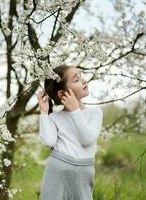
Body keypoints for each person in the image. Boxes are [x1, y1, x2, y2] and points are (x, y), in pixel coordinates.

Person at [37, 64, 103, 200]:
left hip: (84, 171)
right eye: (76, 80)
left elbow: (87, 139)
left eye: (81, 76)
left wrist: (75, 111)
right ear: (62, 94)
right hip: (57, 168)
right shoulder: (54, 117)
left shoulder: (95, 113)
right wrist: (44, 113)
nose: (83, 80)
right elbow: (48, 141)